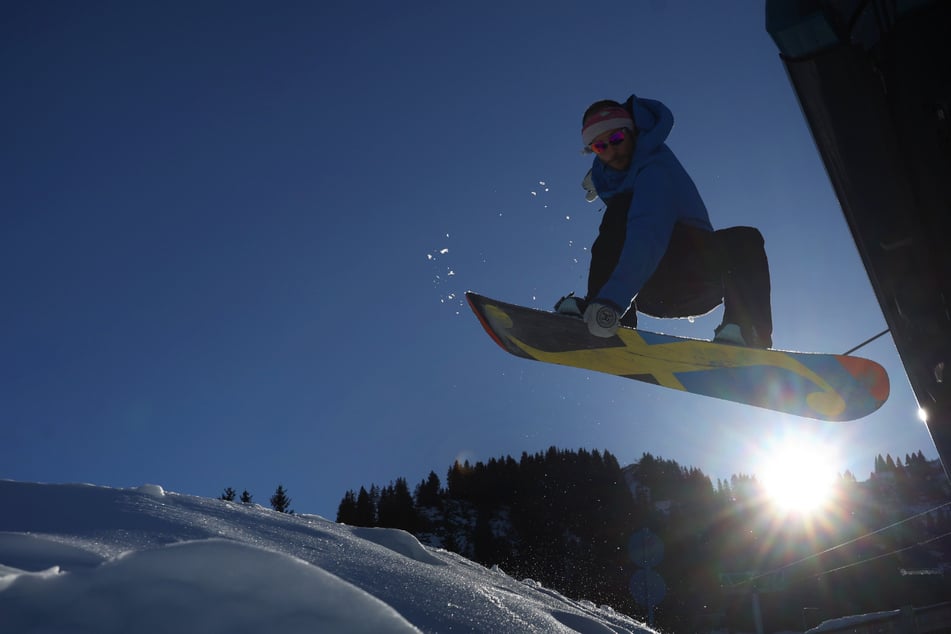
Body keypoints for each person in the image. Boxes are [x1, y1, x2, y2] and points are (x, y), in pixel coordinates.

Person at [556, 94, 773, 349]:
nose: (612, 151)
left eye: (617, 139)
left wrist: (612, 299)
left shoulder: (655, 170)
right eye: (600, 147)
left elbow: (647, 232)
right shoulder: (609, 173)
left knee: (744, 240)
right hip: (649, 291)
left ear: (633, 132)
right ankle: (607, 317)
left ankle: (746, 332)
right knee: (617, 216)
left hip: (695, 278)